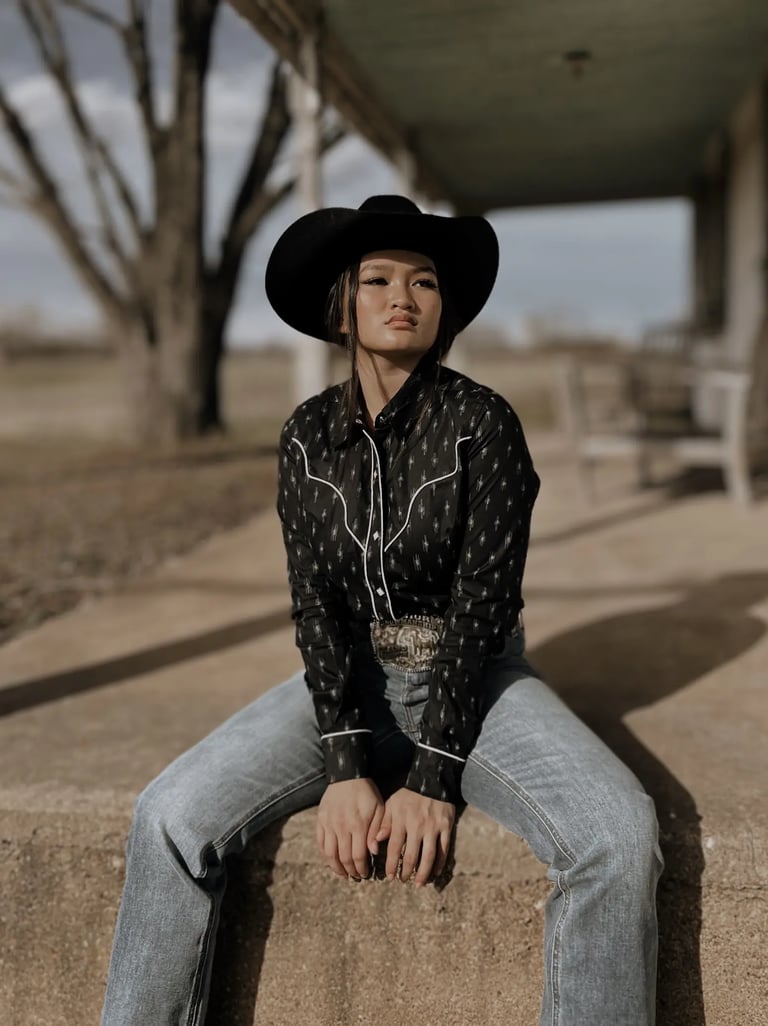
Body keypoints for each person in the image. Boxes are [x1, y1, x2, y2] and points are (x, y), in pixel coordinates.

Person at [100, 195, 663, 1026]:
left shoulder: (484, 425)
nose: (404, 296)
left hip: (472, 681)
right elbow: (315, 605)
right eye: (378, 279)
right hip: (349, 680)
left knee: (619, 833)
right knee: (169, 816)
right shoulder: (303, 437)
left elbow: (484, 603)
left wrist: (433, 773)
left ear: (445, 307)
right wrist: (344, 764)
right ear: (344, 304)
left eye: (425, 281)